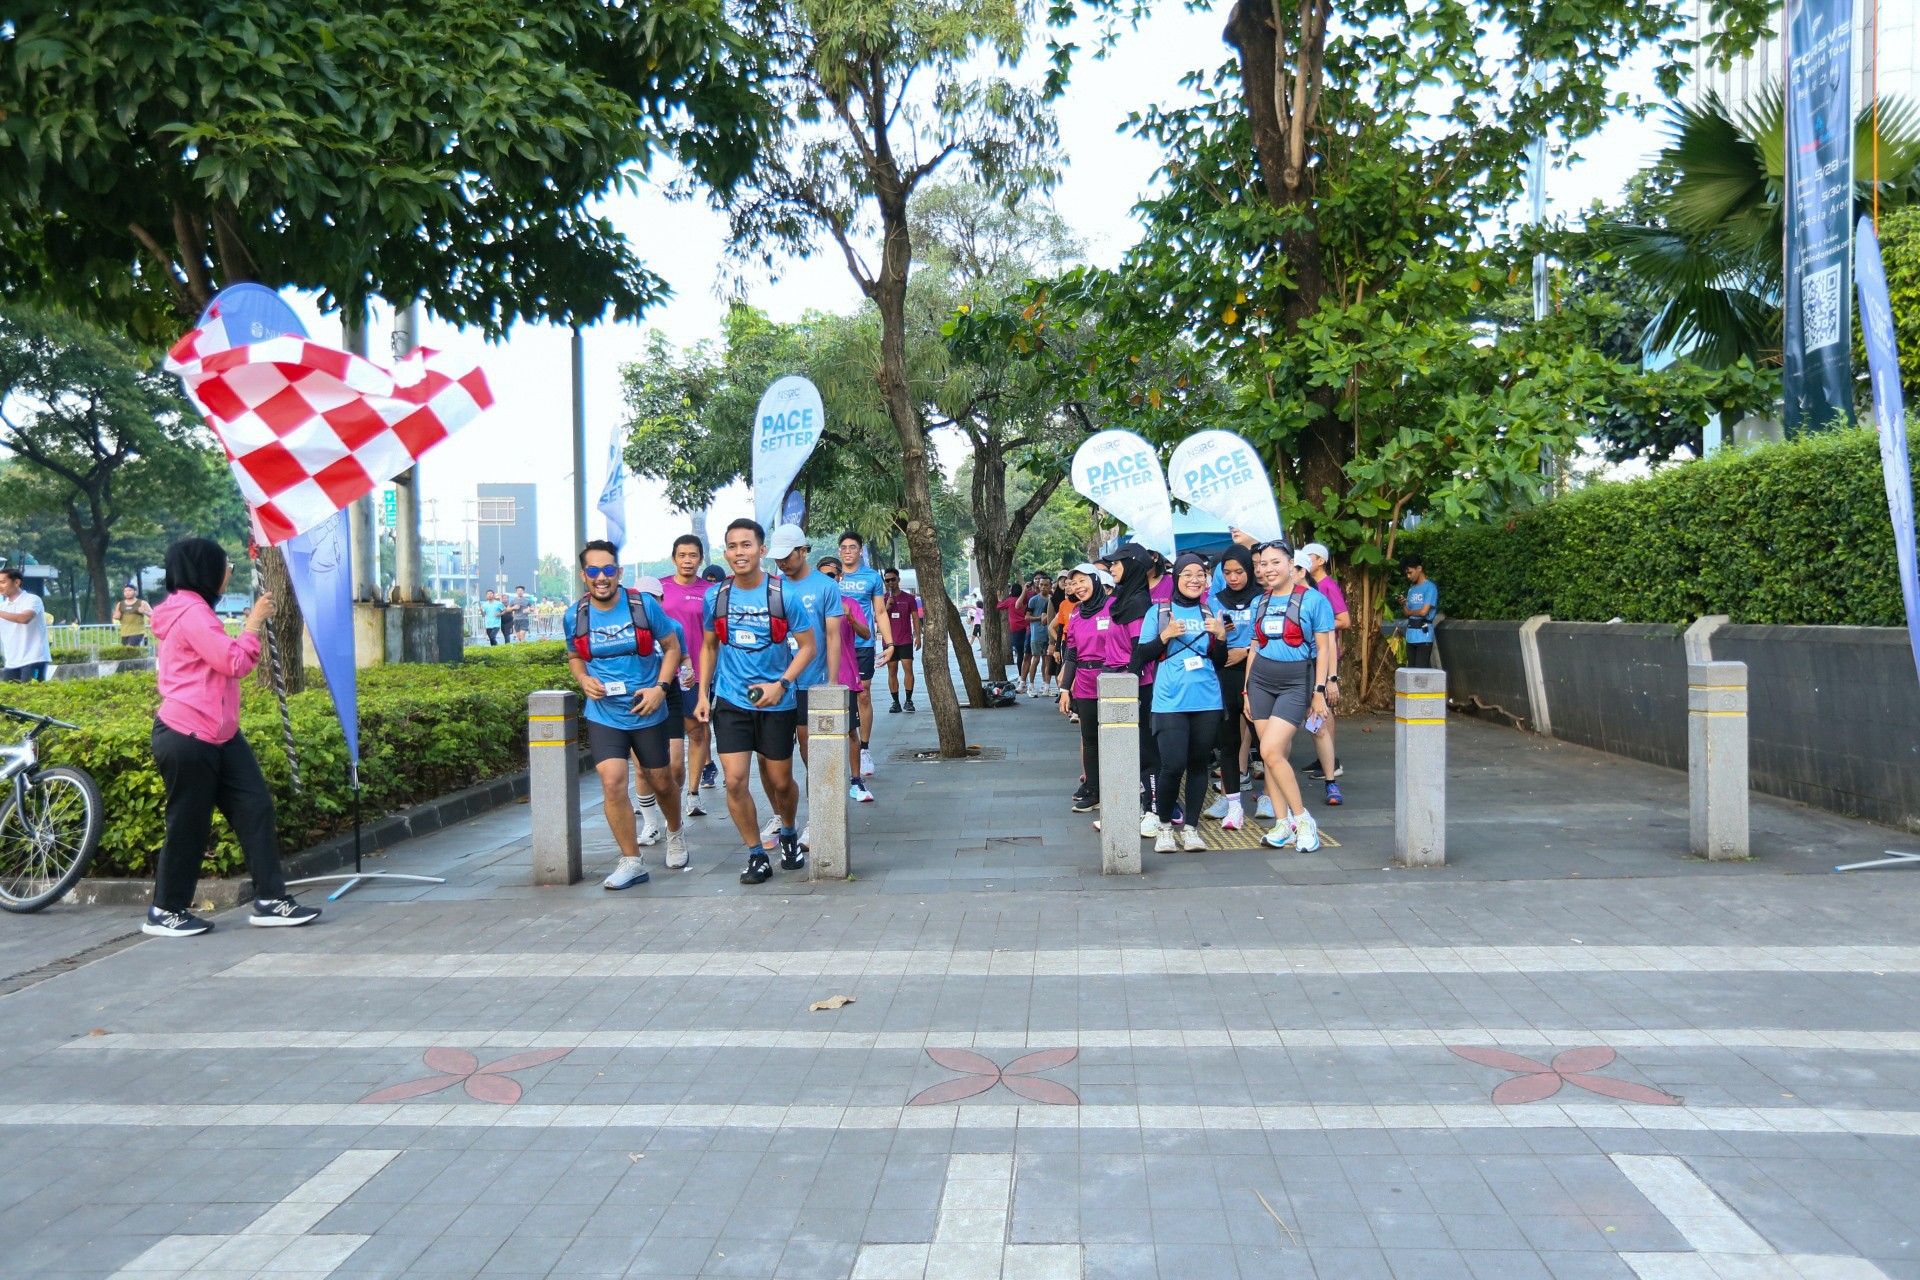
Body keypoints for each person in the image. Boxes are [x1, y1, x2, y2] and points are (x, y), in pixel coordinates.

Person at [145, 538, 319, 936]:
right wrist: (254, 622)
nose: (228, 573)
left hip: (221, 734)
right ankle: (165, 910)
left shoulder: (194, 609)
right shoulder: (191, 612)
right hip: (188, 733)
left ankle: (271, 900)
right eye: (226, 566)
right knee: (189, 824)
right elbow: (234, 662)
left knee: (255, 808)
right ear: (204, 570)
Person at [696, 518, 820, 885]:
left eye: (746, 545)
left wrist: (782, 684)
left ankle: (788, 832)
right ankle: (755, 854)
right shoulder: (715, 596)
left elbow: (808, 647)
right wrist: (703, 694)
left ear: (761, 550)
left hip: (776, 703)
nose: (739, 552)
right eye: (732, 546)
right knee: (734, 781)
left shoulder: (783, 595)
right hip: (731, 700)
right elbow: (709, 646)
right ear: (725, 552)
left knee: (780, 781)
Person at [565, 542, 687, 887]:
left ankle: (675, 831)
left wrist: (660, 688)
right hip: (604, 712)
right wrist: (583, 679)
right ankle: (632, 861)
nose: (601, 577)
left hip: (646, 709)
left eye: (608, 570)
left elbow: (672, 648)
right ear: (584, 575)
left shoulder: (643, 606)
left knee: (660, 780)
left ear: (618, 572)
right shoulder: (575, 615)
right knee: (612, 782)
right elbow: (575, 656)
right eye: (593, 570)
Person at [1130, 553, 1229, 852]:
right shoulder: (1159, 612)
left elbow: (1219, 661)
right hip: (1169, 702)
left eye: (1200, 574)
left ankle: (1191, 830)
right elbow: (1141, 656)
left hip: (1207, 699)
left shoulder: (1212, 610)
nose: (1194, 579)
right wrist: (1165, 636)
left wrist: (1221, 638)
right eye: (1187, 574)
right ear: (1176, 577)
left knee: (1198, 765)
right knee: (1172, 766)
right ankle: (1164, 828)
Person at [1244, 541, 1336, 853]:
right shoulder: (1259, 602)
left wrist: (1319, 691)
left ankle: (1303, 820)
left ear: (1291, 565)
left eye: (1275, 562)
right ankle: (1282, 824)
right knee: (1272, 756)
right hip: (1260, 681)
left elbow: (1323, 648)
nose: (1267, 569)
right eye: (1262, 564)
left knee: (1270, 749)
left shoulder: (1314, 600)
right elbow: (1254, 648)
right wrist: (1246, 690)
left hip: (1297, 681)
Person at [768, 525, 845, 851]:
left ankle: (817, 818)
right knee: (769, 756)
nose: (782, 563)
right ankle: (781, 817)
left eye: (787, 556)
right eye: (777, 558)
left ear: (803, 551)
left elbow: (832, 636)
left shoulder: (825, 586)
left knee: (808, 751)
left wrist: (831, 683)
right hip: (774, 682)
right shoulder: (770, 586)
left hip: (811, 682)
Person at [819, 554, 888, 803]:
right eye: (822, 576)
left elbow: (867, 633)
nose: (827, 580)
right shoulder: (808, 604)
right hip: (815, 679)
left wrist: (850, 618)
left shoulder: (849, 604)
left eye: (831, 575)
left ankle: (856, 781)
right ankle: (823, 785)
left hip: (845, 677)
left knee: (850, 731)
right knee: (819, 735)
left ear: (840, 577)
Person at [1105, 543, 1162, 837]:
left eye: (1117, 563)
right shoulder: (1121, 599)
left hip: (1137, 685)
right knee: (1127, 750)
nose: (1111, 568)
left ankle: (1154, 810)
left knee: (1146, 749)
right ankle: (1135, 806)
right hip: (1118, 682)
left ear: (1133, 566)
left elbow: (1140, 648)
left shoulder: (1138, 603)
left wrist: (1130, 680)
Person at [1054, 564, 1121, 813]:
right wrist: (1064, 689)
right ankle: (1094, 791)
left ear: (1096, 580)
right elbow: (1071, 654)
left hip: (1112, 680)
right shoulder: (1076, 614)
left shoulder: (1114, 607)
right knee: (1090, 739)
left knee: (1115, 739)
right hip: (1084, 683)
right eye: (1074, 583)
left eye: (1083, 581)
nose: (1078, 587)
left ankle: (1120, 790)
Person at [1201, 545, 1258, 831]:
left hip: (1255, 676)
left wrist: (1245, 652)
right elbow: (1208, 642)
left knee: (1265, 742)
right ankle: (1232, 804)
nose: (1233, 577)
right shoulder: (1214, 601)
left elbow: (1268, 638)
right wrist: (1224, 648)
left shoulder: (1263, 598)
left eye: (1239, 571)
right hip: (1223, 675)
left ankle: (1271, 798)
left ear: (1249, 570)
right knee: (1228, 743)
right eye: (1227, 572)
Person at [660, 535, 716, 817]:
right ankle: (658, 794)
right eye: (682, 555)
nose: (687, 560)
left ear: (700, 559)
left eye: (693, 555)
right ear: (674, 559)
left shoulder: (711, 592)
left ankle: (692, 794)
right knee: (662, 738)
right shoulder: (659, 589)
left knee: (696, 731)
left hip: (696, 673)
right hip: (661, 673)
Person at [1297, 542, 1349, 802]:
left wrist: (1331, 679)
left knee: (1319, 719)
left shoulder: (1321, 593)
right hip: (1292, 671)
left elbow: (1334, 632)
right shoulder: (1275, 598)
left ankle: (1331, 774)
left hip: (1316, 666)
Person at [835, 532, 887, 778]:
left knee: (863, 694)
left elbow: (880, 612)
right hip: (835, 644)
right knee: (834, 693)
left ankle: (864, 749)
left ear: (860, 551)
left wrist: (890, 643)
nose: (848, 551)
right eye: (844, 547)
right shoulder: (831, 576)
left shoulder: (871, 577)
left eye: (852, 547)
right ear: (839, 552)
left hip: (862, 643)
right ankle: (838, 744)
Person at [879, 569, 921, 712]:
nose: (890, 582)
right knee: (892, 670)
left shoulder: (909, 598)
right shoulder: (882, 599)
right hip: (889, 641)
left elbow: (915, 617)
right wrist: (886, 608)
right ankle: (895, 702)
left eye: (893, 579)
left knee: (908, 668)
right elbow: (877, 619)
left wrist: (918, 637)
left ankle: (908, 700)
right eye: (887, 580)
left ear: (898, 580)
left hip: (905, 640)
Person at [0, 568, 51, 682]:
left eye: (2, 582)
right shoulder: (2, 607)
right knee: (9, 693)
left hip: (35, 660)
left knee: (33, 690)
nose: (0, 586)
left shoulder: (32, 600)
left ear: (17, 582)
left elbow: (24, 618)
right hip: (11, 662)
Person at [1401, 554, 1438, 669]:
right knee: (1411, 669)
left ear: (1419, 568)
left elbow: (1423, 612)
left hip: (1424, 634)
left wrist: (1410, 612)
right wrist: (1403, 604)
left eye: (1410, 572)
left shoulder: (1430, 587)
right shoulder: (1411, 589)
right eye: (1406, 574)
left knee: (1421, 669)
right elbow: (1407, 613)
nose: (1408, 576)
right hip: (1411, 634)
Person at [1021, 573, 1052, 695]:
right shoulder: (1033, 600)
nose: (1043, 587)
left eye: (1046, 585)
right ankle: (1031, 685)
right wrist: (1040, 618)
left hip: (1049, 635)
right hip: (1036, 634)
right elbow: (1027, 617)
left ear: (1050, 586)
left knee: (1048, 660)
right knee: (1036, 659)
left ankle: (1046, 686)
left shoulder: (1052, 600)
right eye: (1041, 584)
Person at [997, 581, 1028, 683]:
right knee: (1027, 653)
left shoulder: (1010, 601)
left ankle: (1021, 675)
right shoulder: (1025, 600)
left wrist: (999, 599)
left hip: (1015, 628)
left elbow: (999, 606)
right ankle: (1025, 674)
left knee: (1020, 653)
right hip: (1026, 627)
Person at [114, 583, 153, 648]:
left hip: (137, 632)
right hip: (125, 633)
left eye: (130, 590)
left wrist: (144, 612)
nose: (127, 592)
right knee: (127, 651)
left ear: (135, 592)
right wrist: (116, 616)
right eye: (125, 591)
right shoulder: (120, 604)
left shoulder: (142, 603)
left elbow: (153, 615)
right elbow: (115, 616)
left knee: (131, 649)